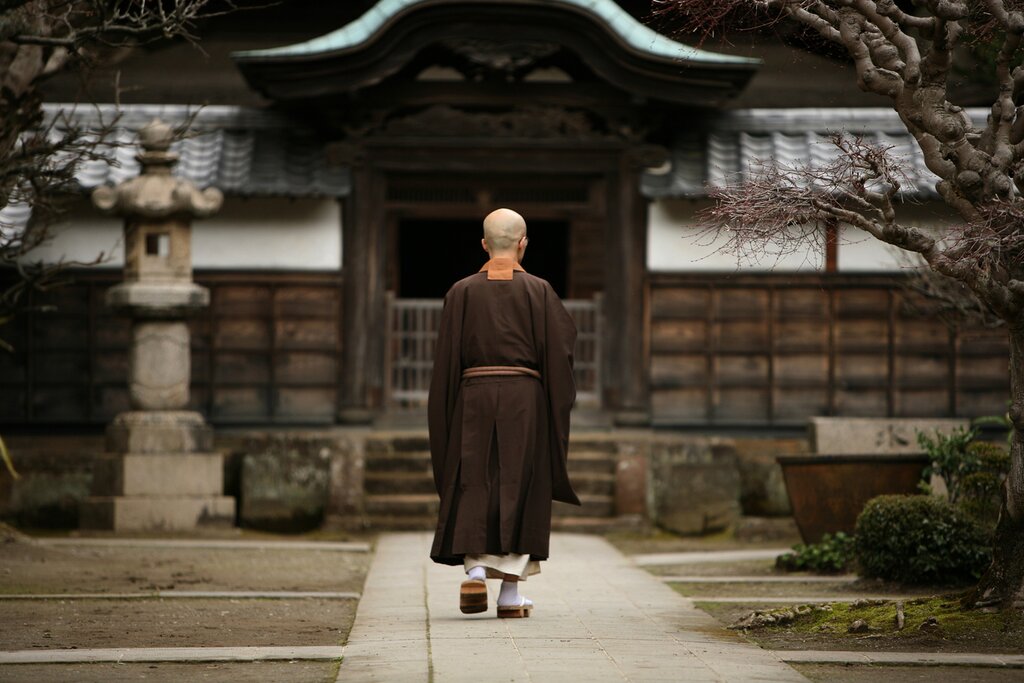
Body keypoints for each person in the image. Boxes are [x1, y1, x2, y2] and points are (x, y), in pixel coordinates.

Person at [428, 207, 580, 619]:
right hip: (524, 400)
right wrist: (554, 403)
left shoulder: (460, 292)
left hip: (473, 396)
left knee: (474, 477)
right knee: (520, 482)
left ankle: (475, 571)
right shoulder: (540, 291)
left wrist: (446, 409)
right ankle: (510, 595)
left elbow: (445, 361)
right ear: (523, 243)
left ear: (483, 244)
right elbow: (560, 353)